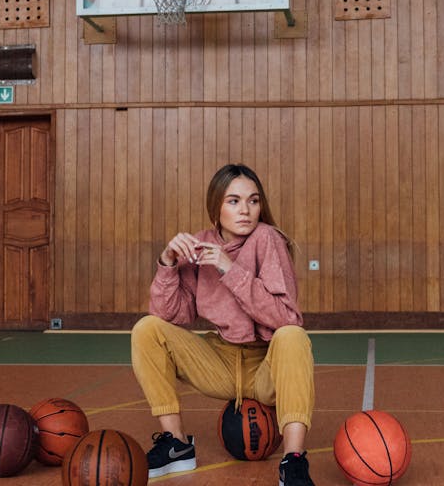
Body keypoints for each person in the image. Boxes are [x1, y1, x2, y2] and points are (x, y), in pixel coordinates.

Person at [130, 163, 316, 486]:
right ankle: (176, 444)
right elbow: (171, 313)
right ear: (216, 206)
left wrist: (230, 269)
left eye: (253, 200)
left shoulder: (267, 239)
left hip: (265, 366)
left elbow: (287, 317)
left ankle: (294, 461)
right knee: (146, 329)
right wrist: (168, 262)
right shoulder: (200, 245)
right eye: (234, 201)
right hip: (219, 361)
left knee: (293, 336)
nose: (246, 210)